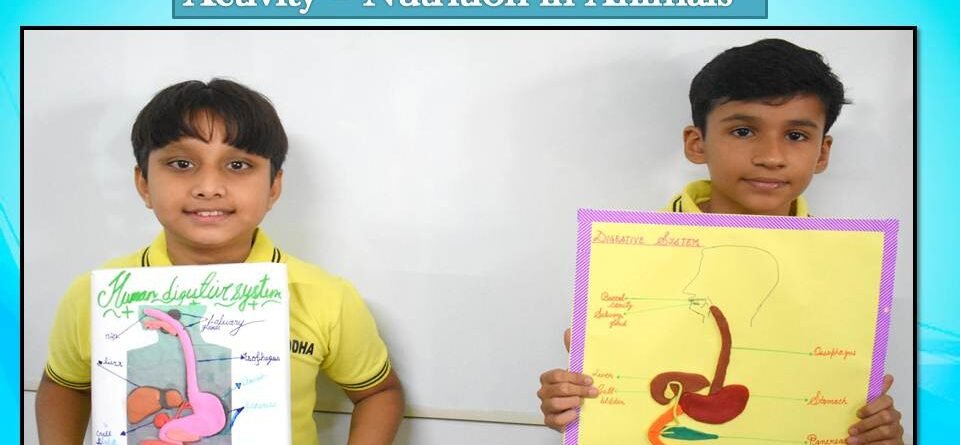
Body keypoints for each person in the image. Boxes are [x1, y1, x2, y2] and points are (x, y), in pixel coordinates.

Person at [536, 39, 904, 445]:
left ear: (822, 153)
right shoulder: (625, 261)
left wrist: (874, 433)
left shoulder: (846, 276)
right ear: (697, 144)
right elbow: (616, 402)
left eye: (797, 135)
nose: (771, 156)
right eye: (743, 131)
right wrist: (573, 405)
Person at [35, 79, 405, 445]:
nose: (209, 187)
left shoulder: (324, 296)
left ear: (274, 187)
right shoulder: (96, 294)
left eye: (238, 165)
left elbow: (378, 393)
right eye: (181, 163)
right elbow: (65, 384)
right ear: (144, 183)